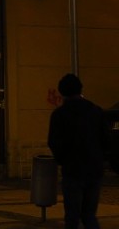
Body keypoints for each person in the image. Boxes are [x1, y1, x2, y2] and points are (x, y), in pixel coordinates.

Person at [48, 73, 107, 229]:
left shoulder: (59, 115)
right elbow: (105, 139)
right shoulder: (96, 111)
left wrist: (62, 160)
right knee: (89, 215)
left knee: (72, 216)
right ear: (80, 89)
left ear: (62, 92)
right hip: (94, 168)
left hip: (73, 169)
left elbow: (53, 142)